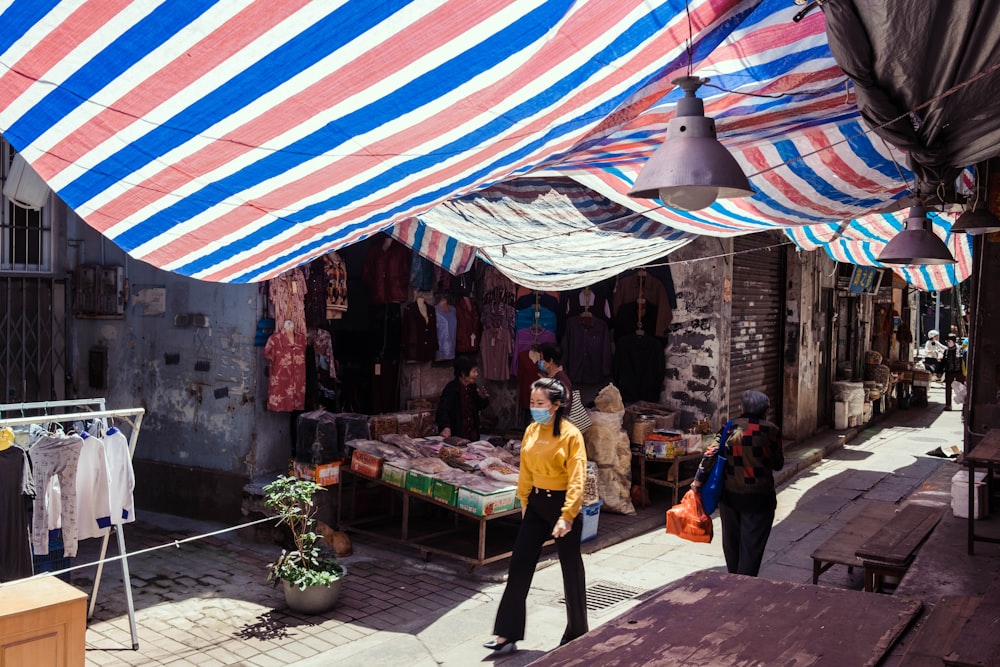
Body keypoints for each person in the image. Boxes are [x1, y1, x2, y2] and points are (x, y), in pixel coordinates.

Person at [485, 378, 588, 653]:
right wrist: (524, 501)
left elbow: (578, 478)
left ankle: (578, 631)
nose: (534, 408)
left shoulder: (570, 435)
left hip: (563, 506)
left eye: (540, 403)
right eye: (532, 403)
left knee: (571, 569)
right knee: (519, 566)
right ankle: (507, 634)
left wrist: (567, 515)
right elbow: (526, 469)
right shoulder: (531, 431)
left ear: (555, 405)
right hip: (537, 504)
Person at [692, 390, 783, 577]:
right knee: (752, 547)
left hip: (730, 496)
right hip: (759, 499)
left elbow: (710, 455)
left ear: (742, 407)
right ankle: (743, 586)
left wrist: (697, 482)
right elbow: (778, 463)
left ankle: (733, 580)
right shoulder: (771, 431)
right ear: (765, 410)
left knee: (731, 544)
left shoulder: (729, 427)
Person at [436, 356, 489, 441]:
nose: (476, 374)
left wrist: (483, 398)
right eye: (474, 371)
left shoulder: (472, 387)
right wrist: (445, 427)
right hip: (458, 435)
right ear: (463, 374)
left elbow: (479, 406)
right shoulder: (451, 389)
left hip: (472, 435)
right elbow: (443, 410)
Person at [537, 343, 574, 415]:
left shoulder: (561, 380)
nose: (539, 362)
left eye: (541, 359)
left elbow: (564, 409)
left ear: (550, 361)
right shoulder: (551, 377)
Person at [942, 333, 965, 411]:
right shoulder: (946, 351)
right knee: (948, 388)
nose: (948, 343)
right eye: (947, 341)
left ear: (954, 341)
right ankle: (948, 405)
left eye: (949, 341)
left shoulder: (961, 350)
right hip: (949, 372)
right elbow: (943, 362)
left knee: (962, 388)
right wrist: (939, 371)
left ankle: (964, 405)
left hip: (959, 372)